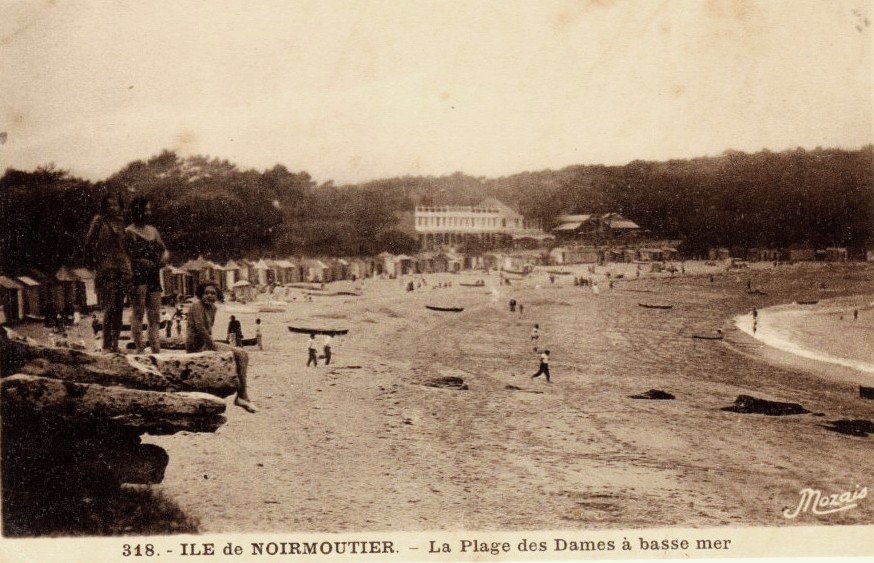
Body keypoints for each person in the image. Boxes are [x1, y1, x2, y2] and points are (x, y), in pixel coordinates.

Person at [186, 283, 258, 413]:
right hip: (196, 346)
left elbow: (208, 331)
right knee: (241, 354)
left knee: (242, 354)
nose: (210, 296)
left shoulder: (213, 308)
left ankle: (242, 395)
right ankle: (242, 396)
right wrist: (214, 347)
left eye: (213, 293)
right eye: (206, 293)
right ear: (200, 295)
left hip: (207, 343)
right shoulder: (196, 306)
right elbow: (200, 328)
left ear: (217, 295)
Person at [84, 193, 132, 353]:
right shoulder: (99, 220)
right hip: (106, 269)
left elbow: (124, 246)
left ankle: (116, 344)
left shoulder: (121, 222)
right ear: (105, 206)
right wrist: (95, 261)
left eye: (116, 205)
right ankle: (106, 345)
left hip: (122, 269)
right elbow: (89, 242)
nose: (113, 207)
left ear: (120, 206)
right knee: (110, 308)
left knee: (119, 308)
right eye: (109, 204)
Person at [125, 196, 169, 353]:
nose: (149, 213)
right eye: (146, 210)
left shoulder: (153, 230)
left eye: (149, 210)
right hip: (137, 276)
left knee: (155, 314)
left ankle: (155, 347)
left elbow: (163, 248)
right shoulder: (129, 232)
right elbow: (127, 257)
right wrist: (140, 261)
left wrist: (164, 257)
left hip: (154, 273)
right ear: (137, 212)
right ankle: (139, 348)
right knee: (138, 311)